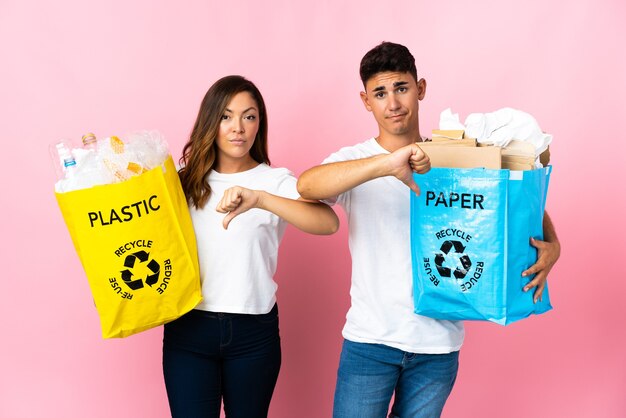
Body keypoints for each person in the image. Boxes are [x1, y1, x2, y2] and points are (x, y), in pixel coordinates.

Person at [297, 42, 561, 418]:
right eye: (380, 93)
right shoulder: (355, 161)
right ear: (365, 100)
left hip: (438, 346)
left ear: (420, 89)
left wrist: (554, 242)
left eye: (401, 88)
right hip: (371, 340)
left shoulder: (456, 156)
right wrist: (388, 164)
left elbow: (513, 199)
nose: (393, 103)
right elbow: (307, 186)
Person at [162, 75, 339, 418]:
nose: (237, 127)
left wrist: (260, 200)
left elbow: (328, 223)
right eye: (226, 116)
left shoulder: (275, 181)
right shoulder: (183, 182)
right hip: (189, 329)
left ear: (260, 123)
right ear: (211, 122)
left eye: (249, 116)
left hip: (253, 335)